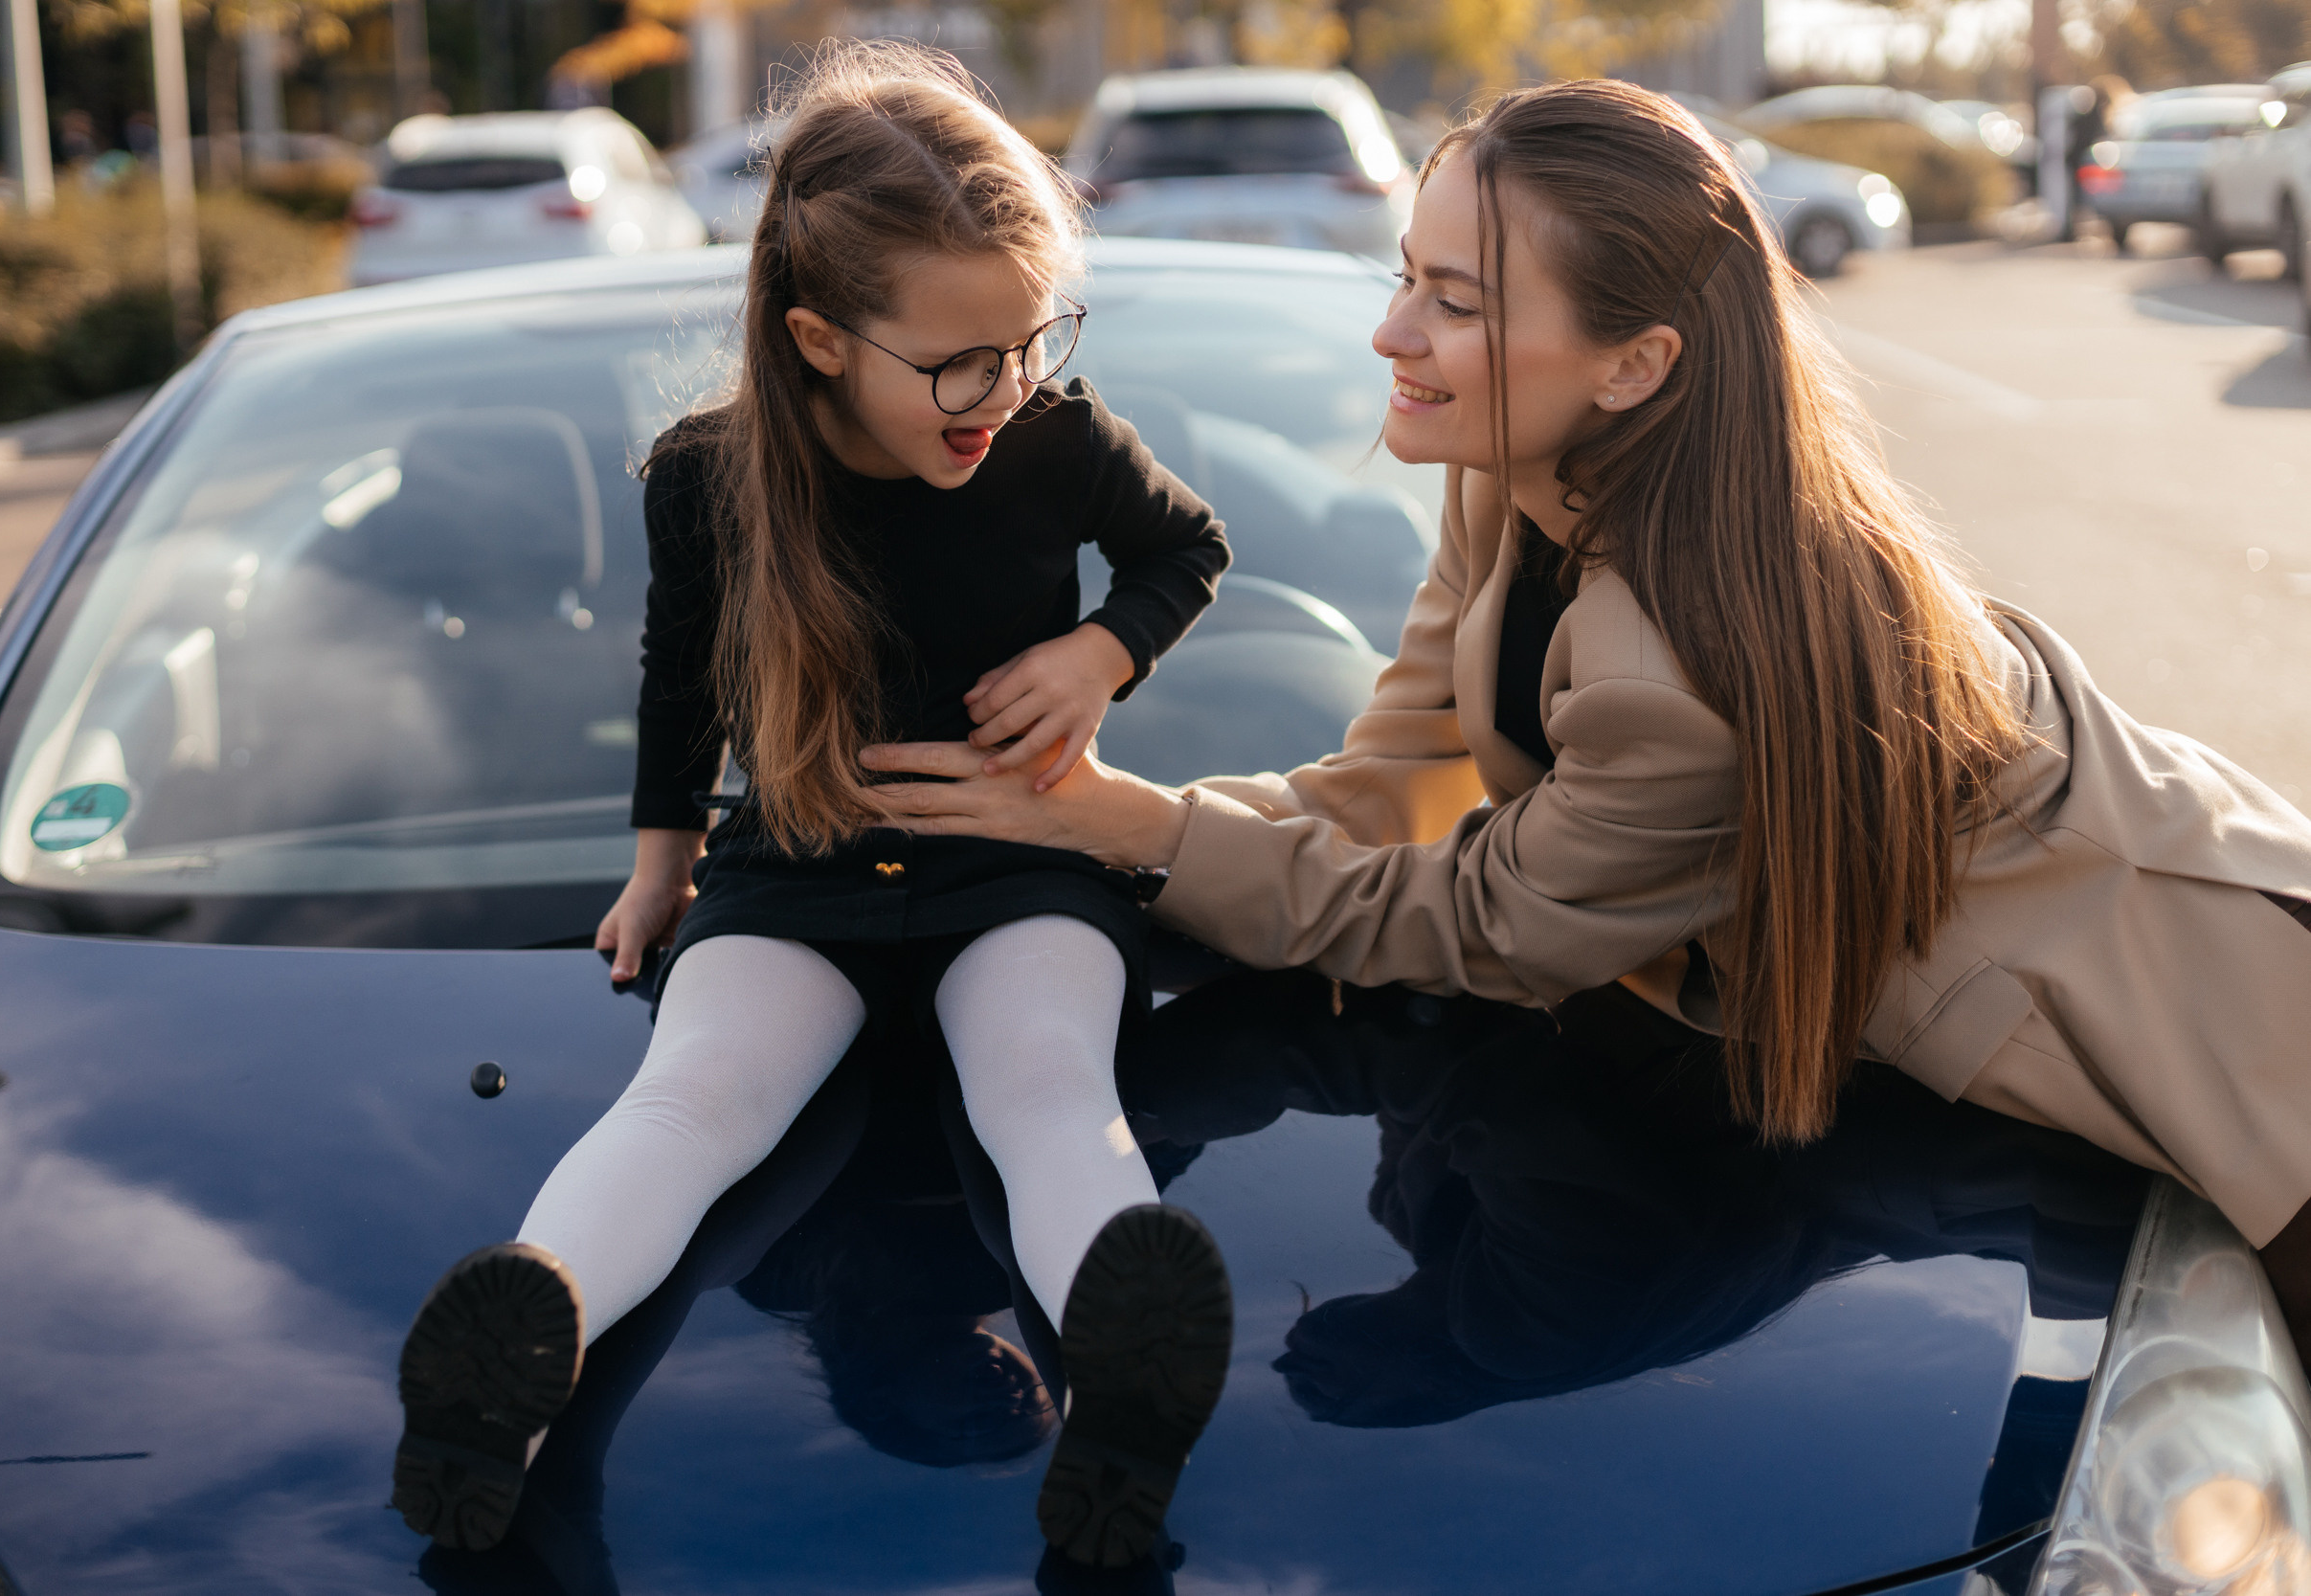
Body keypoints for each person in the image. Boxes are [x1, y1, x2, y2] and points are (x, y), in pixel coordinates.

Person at [860, 79, 2311, 1357]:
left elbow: (1487, 924)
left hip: (2237, 1058)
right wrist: (1112, 837)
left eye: (1457, 303)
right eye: (1406, 276)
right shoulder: (1511, 474)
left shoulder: (1683, 673)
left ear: (1635, 365)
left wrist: (1135, 821)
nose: (1391, 332)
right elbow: (1400, 781)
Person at [390, 41, 1235, 1570]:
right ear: (820, 337)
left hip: (1020, 848)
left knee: (1050, 1088)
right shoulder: (712, 478)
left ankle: (1121, 1389)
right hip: (796, 863)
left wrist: (1100, 651)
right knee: (692, 1098)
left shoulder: (1059, 439)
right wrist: (659, 869)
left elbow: (1189, 549)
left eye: (1034, 341)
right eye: (959, 362)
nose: (1005, 390)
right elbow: (677, 688)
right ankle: (498, 1385)